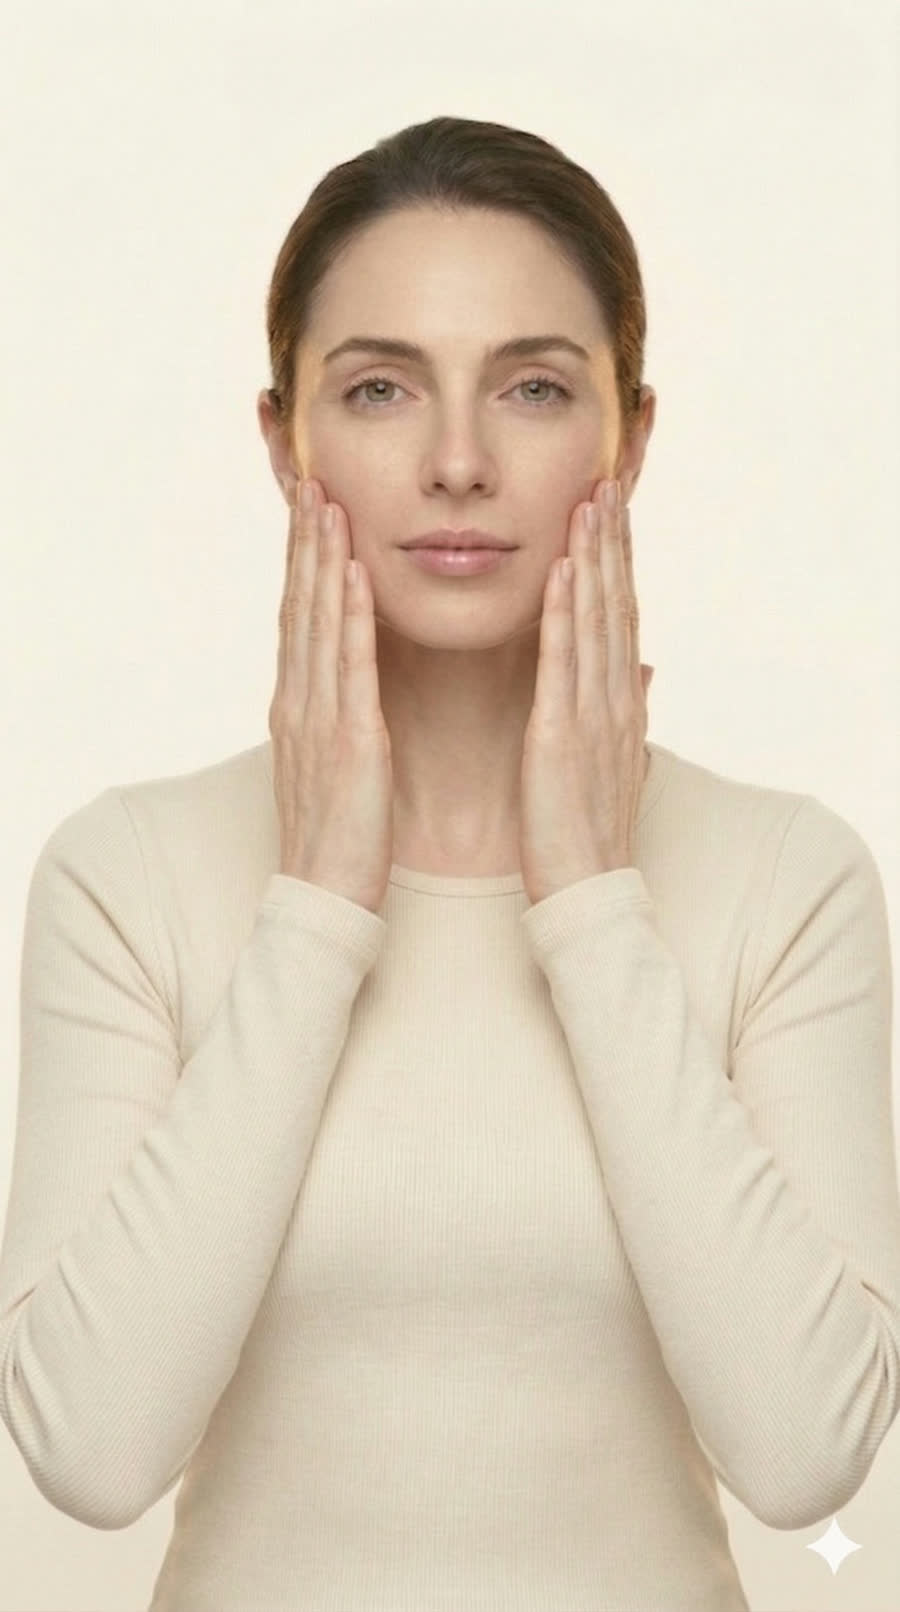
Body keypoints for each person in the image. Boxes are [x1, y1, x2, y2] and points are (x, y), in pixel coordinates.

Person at [1, 116, 899, 1612]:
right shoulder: (126, 877)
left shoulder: (785, 880)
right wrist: (316, 911)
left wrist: (597, 908)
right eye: (380, 389)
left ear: (635, 434)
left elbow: (807, 1457)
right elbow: (89, 1456)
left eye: (535, 387)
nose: (461, 462)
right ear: (284, 437)